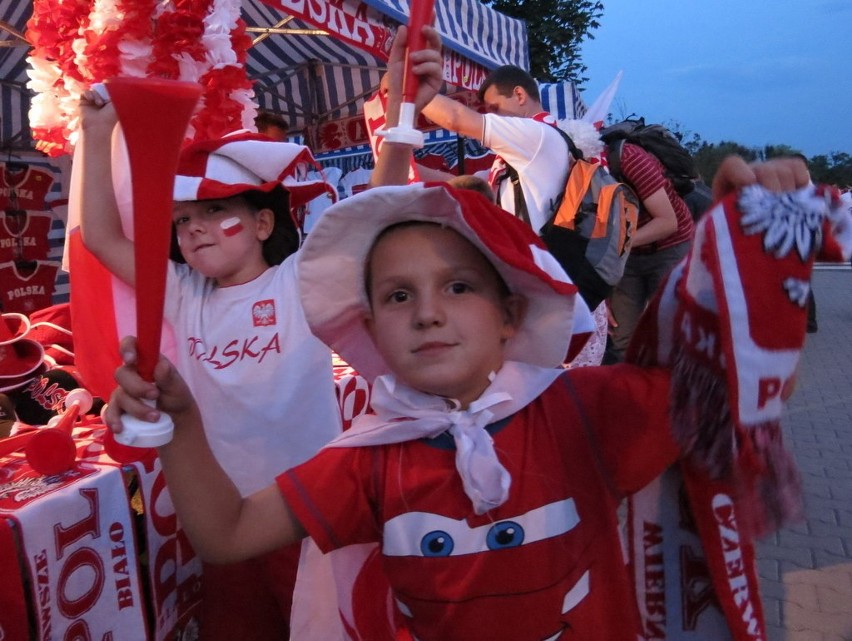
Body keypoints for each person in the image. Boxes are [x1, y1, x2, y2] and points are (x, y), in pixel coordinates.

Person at [105, 150, 814, 640]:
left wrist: (757, 250)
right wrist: (182, 420)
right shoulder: (367, 461)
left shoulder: (585, 410)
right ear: (370, 331)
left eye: (460, 285)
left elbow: (735, 390)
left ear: (511, 314)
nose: (428, 312)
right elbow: (224, 533)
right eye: (398, 294)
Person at [77, 96, 343, 640]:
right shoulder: (182, 292)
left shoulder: (301, 281)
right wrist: (98, 132)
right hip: (223, 519)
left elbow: (369, 222)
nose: (194, 228)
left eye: (216, 211)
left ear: (264, 222)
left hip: (309, 517)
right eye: (182, 219)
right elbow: (101, 238)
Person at [603, 137, 695, 363]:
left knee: (670, 331)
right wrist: (600, 294)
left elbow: (667, 222)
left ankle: (673, 392)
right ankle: (630, 393)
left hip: (671, 246)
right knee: (622, 336)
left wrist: (618, 245)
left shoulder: (630, 159)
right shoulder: (572, 175)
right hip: (627, 254)